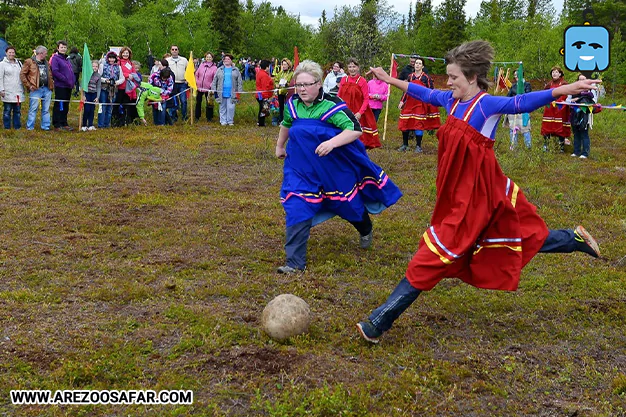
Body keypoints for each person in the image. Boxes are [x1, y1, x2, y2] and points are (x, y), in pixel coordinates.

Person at [357, 40, 602, 344]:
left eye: (454, 78)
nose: (449, 83)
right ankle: (573, 239)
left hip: (479, 196)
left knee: (432, 255)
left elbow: (520, 103)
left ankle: (379, 321)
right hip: (456, 193)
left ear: (472, 78)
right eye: (448, 77)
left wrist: (562, 91)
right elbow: (421, 92)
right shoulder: (452, 101)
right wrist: (387, 78)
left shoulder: (485, 105)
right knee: (510, 239)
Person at [275, 60, 402, 274]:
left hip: (331, 168)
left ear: (319, 84)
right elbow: (286, 124)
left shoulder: (332, 105)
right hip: (300, 169)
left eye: (307, 84)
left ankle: (365, 227)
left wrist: (331, 143)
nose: (302, 89)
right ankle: (294, 263)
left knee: (347, 205)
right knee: (297, 205)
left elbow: (355, 129)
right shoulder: (292, 104)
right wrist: (279, 145)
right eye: (299, 85)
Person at [397, 57, 440, 153]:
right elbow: (405, 90)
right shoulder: (410, 77)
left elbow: (431, 91)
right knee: (405, 123)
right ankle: (405, 145)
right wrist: (401, 101)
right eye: (416, 63)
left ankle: (418, 146)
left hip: (420, 104)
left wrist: (431, 104)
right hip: (409, 103)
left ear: (422, 66)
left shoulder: (426, 78)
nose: (417, 65)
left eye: (420, 63)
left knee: (418, 124)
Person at [337, 58, 381, 149]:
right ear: (347, 68)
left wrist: (360, 112)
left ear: (357, 68)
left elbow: (366, 99)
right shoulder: (343, 80)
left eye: (354, 66)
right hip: (345, 111)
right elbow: (339, 96)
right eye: (350, 67)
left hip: (358, 112)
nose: (352, 69)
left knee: (359, 138)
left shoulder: (362, 81)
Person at [20, 45, 53, 131]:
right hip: (35, 89)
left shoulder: (47, 63)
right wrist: (29, 85)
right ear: (41, 54)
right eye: (45, 53)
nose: (46, 55)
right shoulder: (29, 62)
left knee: (46, 109)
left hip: (47, 89)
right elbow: (22, 74)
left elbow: (50, 75)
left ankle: (46, 126)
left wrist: (52, 84)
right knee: (33, 109)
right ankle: (30, 127)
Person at [567, 73, 598, 159]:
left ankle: (585, 153)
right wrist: (574, 100)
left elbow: (594, 101)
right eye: (580, 79)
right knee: (576, 133)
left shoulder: (591, 90)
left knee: (584, 133)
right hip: (574, 113)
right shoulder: (573, 89)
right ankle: (576, 151)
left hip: (585, 115)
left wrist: (582, 100)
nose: (581, 81)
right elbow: (567, 100)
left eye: (583, 79)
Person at [541, 66, 571, 152]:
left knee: (560, 128)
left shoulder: (564, 84)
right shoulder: (549, 84)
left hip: (560, 109)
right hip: (549, 109)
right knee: (547, 127)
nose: (554, 73)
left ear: (560, 74)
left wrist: (559, 102)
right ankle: (546, 145)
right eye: (553, 72)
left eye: (556, 72)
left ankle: (561, 147)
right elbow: (544, 94)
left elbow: (566, 95)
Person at [50, 40, 76, 131]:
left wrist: (72, 81)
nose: (63, 49)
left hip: (68, 86)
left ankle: (64, 122)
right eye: (62, 47)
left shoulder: (67, 59)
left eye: (65, 47)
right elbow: (55, 72)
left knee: (66, 105)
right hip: (60, 85)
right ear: (58, 48)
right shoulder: (55, 58)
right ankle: (57, 124)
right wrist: (65, 79)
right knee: (59, 105)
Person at [211, 53, 242, 126]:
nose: (226, 60)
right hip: (221, 91)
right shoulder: (219, 69)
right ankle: (223, 121)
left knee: (231, 107)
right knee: (222, 107)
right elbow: (215, 80)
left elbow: (239, 81)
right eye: (225, 59)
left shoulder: (236, 70)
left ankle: (230, 121)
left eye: (228, 59)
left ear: (231, 61)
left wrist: (239, 92)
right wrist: (214, 89)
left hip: (232, 92)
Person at [506, 69, 533, 149]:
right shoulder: (513, 86)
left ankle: (528, 148)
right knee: (513, 129)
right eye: (515, 75)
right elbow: (508, 96)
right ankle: (514, 147)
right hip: (514, 111)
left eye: (518, 75)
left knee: (525, 129)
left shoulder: (527, 85)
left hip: (523, 111)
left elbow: (527, 95)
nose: (516, 76)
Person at [98, 51, 124, 129]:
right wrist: (106, 80)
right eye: (110, 58)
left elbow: (122, 78)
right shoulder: (102, 66)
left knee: (110, 107)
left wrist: (116, 82)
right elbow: (98, 76)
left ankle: (107, 124)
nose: (111, 60)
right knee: (103, 106)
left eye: (113, 58)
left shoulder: (118, 67)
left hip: (113, 90)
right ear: (107, 58)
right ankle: (100, 125)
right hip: (104, 88)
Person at [0, 46, 24, 129]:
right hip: (7, 91)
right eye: (9, 52)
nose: (11, 54)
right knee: (7, 111)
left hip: (18, 91)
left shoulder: (19, 64)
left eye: (13, 52)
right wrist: (1, 89)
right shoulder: (2, 64)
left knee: (17, 111)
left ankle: (17, 127)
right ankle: (7, 127)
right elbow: (0, 78)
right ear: (6, 53)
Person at [113, 46, 138, 126]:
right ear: (121, 53)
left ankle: (126, 121)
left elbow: (134, 73)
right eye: (124, 53)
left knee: (127, 105)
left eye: (127, 53)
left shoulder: (131, 63)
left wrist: (132, 76)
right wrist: (127, 75)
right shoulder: (118, 62)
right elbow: (117, 72)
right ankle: (116, 121)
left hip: (129, 88)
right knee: (117, 105)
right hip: (120, 87)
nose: (125, 54)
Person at [166, 45, 189, 122]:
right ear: (170, 51)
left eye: (176, 49)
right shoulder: (167, 60)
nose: (174, 51)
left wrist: (188, 79)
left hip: (182, 83)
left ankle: (184, 116)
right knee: (172, 101)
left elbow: (189, 70)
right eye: (173, 49)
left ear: (178, 51)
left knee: (183, 101)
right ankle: (173, 117)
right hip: (172, 84)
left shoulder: (184, 60)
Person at [195, 52, 217, 122]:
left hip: (209, 89)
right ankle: (197, 116)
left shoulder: (214, 68)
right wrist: (197, 82)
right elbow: (196, 74)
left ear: (212, 58)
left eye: (210, 57)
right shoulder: (201, 65)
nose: (208, 58)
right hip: (199, 88)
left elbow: (215, 78)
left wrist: (211, 86)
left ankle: (209, 117)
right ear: (205, 58)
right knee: (198, 102)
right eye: (207, 57)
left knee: (209, 103)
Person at [81, 61, 101, 131]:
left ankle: (90, 124)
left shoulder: (98, 76)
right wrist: (83, 95)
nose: (94, 68)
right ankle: (84, 125)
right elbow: (83, 85)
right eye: (93, 66)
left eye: (96, 66)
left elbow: (98, 87)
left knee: (92, 110)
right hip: (87, 93)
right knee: (87, 109)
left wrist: (97, 97)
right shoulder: (86, 74)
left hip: (94, 93)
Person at [273, 58, 294, 124]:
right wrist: (276, 84)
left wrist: (287, 84)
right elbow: (276, 79)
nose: (283, 66)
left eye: (285, 64)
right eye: (283, 64)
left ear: (288, 65)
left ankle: (288, 119)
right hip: (280, 92)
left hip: (288, 93)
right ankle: (281, 119)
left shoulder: (291, 73)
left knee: (288, 107)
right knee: (281, 107)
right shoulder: (280, 73)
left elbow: (292, 83)